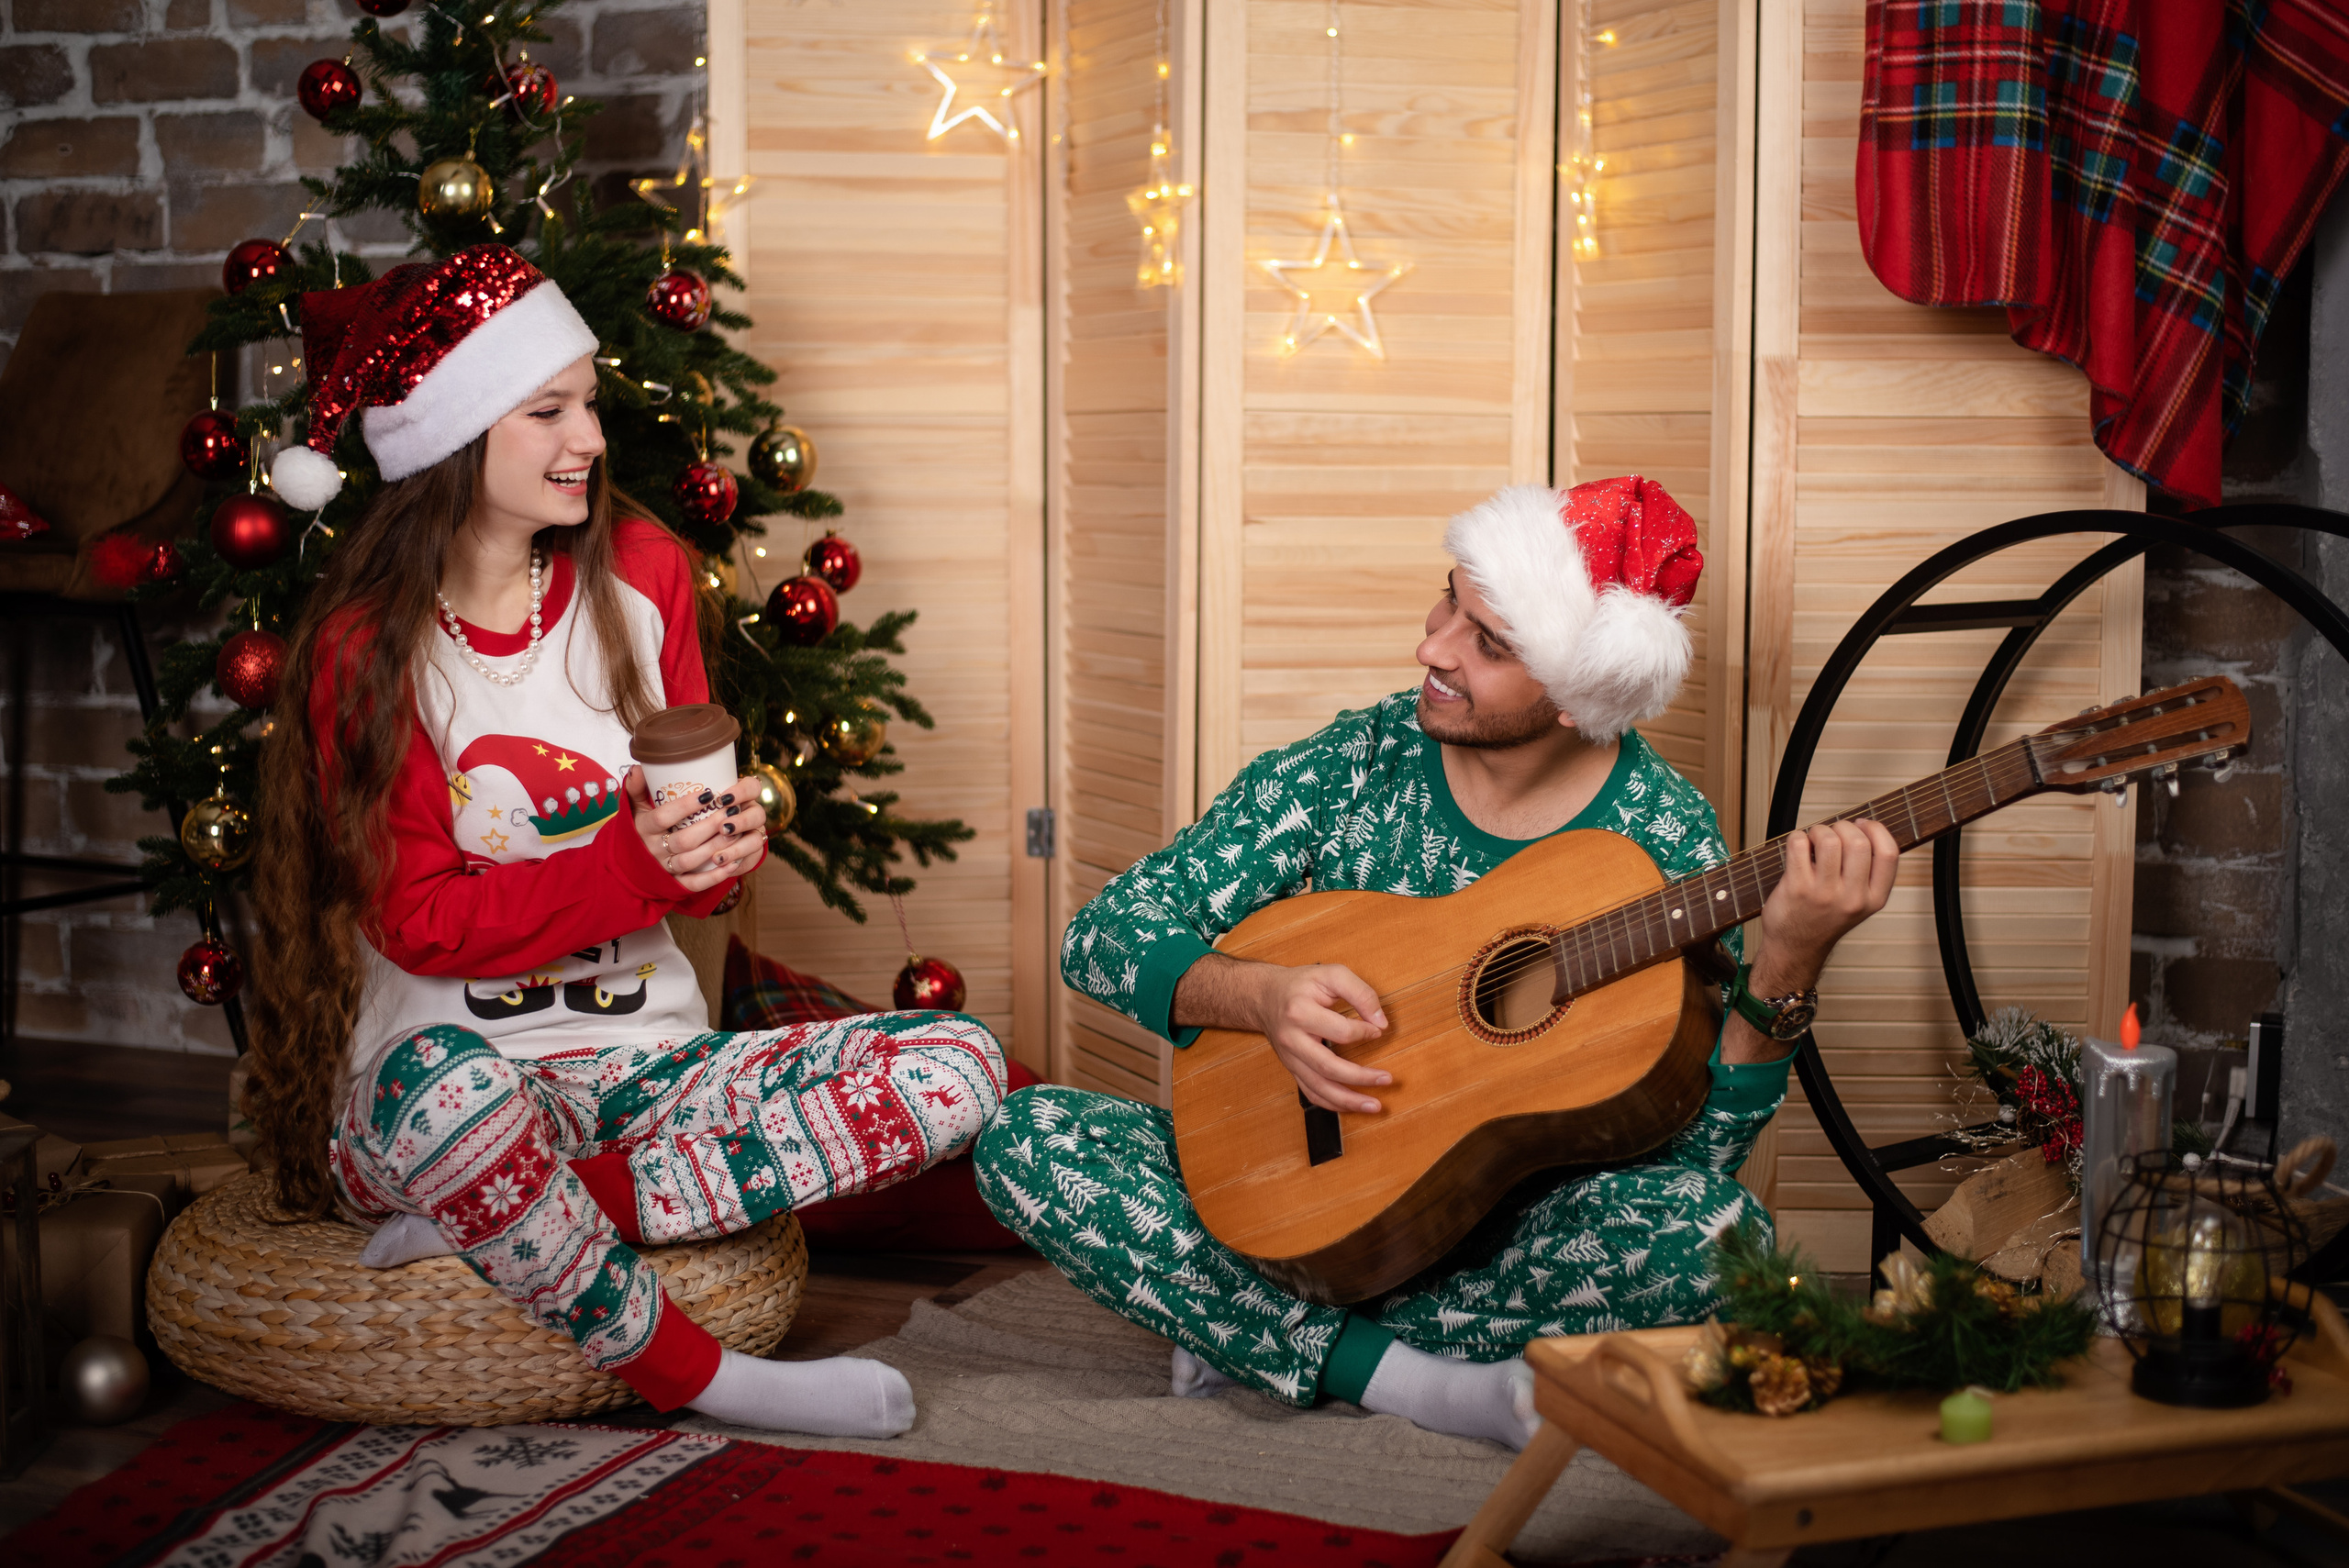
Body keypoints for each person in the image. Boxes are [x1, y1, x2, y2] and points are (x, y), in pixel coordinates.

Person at [244, 245, 1005, 1438]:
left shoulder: (642, 577)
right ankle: (713, 1379)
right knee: (442, 1101)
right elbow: (419, 922)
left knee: (959, 1067)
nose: (589, 437)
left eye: (587, 401)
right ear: (453, 437)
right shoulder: (367, 650)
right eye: (549, 409)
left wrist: (722, 850)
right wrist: (635, 865)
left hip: (643, 1076)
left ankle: (501, 1213)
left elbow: (693, 885)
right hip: (445, 1086)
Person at [972, 476, 1898, 1450]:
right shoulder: (1359, 759)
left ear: (1581, 699)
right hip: (1290, 1179)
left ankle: (1253, 1319)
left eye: (1489, 643)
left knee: (1715, 1238)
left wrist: (1788, 959)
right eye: (1449, 599)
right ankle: (1417, 1378)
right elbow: (1106, 932)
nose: (1432, 646)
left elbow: (1692, 1155)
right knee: (1023, 1136)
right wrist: (1260, 994)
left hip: (1500, 1242)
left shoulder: (1664, 839)